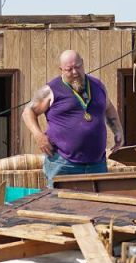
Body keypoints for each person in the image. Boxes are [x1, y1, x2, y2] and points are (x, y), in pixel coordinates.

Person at [22, 49, 123, 186]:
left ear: (83, 64)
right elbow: (28, 111)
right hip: (63, 164)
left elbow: (108, 108)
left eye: (78, 67)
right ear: (61, 70)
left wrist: (118, 130)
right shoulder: (51, 90)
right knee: (60, 206)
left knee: (97, 206)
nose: (75, 73)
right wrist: (38, 135)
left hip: (97, 164)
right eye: (69, 69)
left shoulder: (98, 86)